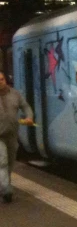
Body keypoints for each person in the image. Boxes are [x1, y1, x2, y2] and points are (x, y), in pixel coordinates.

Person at [0, 72, 33, 203]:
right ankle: (6, 190)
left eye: (2, 79)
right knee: (2, 161)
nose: (0, 82)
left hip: (12, 135)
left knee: (10, 162)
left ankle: (4, 184)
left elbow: (26, 106)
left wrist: (29, 117)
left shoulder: (15, 94)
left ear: (5, 80)